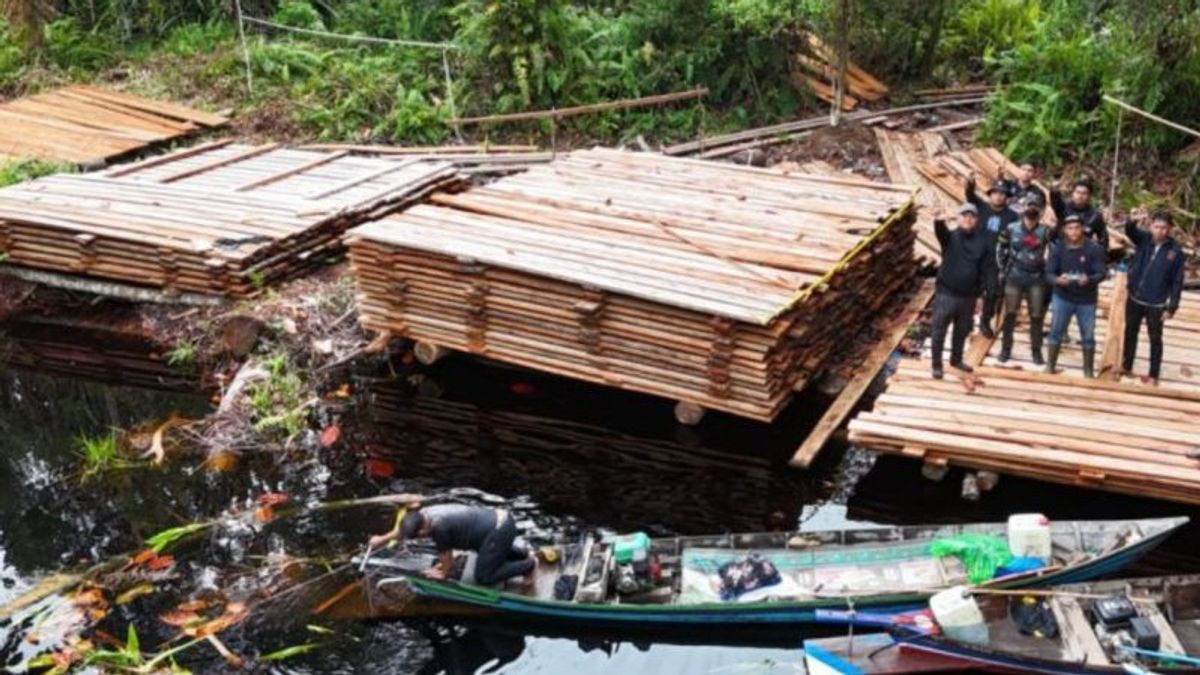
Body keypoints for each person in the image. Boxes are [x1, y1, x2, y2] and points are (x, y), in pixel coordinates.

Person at [369, 504, 535, 586]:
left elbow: (448, 560)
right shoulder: (424, 514)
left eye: (418, 537)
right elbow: (403, 530)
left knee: (484, 578)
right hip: (500, 522)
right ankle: (522, 554)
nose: (419, 539)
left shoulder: (439, 528)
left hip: (498, 530)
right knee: (486, 548)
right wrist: (382, 539)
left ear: (421, 531)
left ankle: (528, 565)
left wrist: (442, 573)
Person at [930, 203, 998, 379]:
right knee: (939, 331)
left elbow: (987, 271)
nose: (968, 219)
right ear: (958, 218)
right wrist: (938, 219)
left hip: (969, 296)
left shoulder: (983, 243)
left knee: (962, 331)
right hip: (946, 293)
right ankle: (936, 365)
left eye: (972, 216)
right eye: (964, 215)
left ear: (976, 220)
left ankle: (956, 360)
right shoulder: (950, 237)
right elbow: (940, 232)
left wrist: (982, 296)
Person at [1121, 209, 1185, 386]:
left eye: (1164, 228)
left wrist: (1172, 306)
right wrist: (1132, 221)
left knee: (1155, 339)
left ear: (1170, 229)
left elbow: (1177, 281)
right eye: (1156, 227)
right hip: (1135, 298)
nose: (1160, 231)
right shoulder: (1144, 240)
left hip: (1156, 304)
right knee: (1130, 333)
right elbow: (1130, 231)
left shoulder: (1175, 252)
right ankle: (1126, 366)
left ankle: (1153, 375)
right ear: (1151, 227)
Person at [1044, 214, 1107, 377]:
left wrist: (1090, 279)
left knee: (1088, 335)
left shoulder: (1094, 249)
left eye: (1077, 228)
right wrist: (1057, 280)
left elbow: (1101, 273)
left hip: (1086, 299)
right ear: (1064, 230)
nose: (1073, 231)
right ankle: (1050, 366)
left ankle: (1088, 371)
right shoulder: (1057, 248)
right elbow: (1049, 273)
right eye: (1070, 228)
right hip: (1062, 296)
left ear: (1082, 229)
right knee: (1056, 332)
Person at [995, 192, 1054, 364]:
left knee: (1036, 316)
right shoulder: (1011, 228)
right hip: (1014, 277)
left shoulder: (1045, 231)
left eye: (1036, 206)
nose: (1032, 208)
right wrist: (1002, 269)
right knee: (1010, 315)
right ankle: (1006, 349)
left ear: (1041, 210)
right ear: (1023, 208)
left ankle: (1036, 351)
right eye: (1029, 205)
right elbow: (1000, 248)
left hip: (1037, 279)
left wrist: (1048, 269)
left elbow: (1056, 249)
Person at [965, 175, 1019, 338]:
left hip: (995, 261)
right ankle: (965, 319)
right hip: (976, 257)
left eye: (1002, 193)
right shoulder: (980, 207)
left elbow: (1015, 237)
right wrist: (970, 186)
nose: (998, 196)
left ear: (1007, 197)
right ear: (989, 194)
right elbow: (970, 196)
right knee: (968, 289)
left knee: (992, 292)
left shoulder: (1012, 216)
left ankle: (985, 320)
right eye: (995, 192)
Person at [1050, 177, 1109, 252]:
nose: (1080, 196)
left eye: (1084, 193)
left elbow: (1103, 238)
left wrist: (1099, 256)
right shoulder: (1063, 208)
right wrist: (1054, 191)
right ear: (1073, 193)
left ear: (1089, 196)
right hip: (1060, 252)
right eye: (1078, 192)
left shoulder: (1095, 216)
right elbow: (1056, 202)